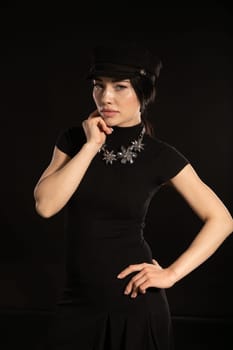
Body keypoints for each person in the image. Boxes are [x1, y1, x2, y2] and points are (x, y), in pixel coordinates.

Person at [33, 43, 233, 350]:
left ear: (143, 92)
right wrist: (90, 147)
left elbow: (221, 220)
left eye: (120, 87)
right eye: (99, 86)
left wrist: (171, 274)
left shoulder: (160, 156)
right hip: (76, 303)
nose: (106, 97)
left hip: (135, 305)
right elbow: (46, 206)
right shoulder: (74, 140)